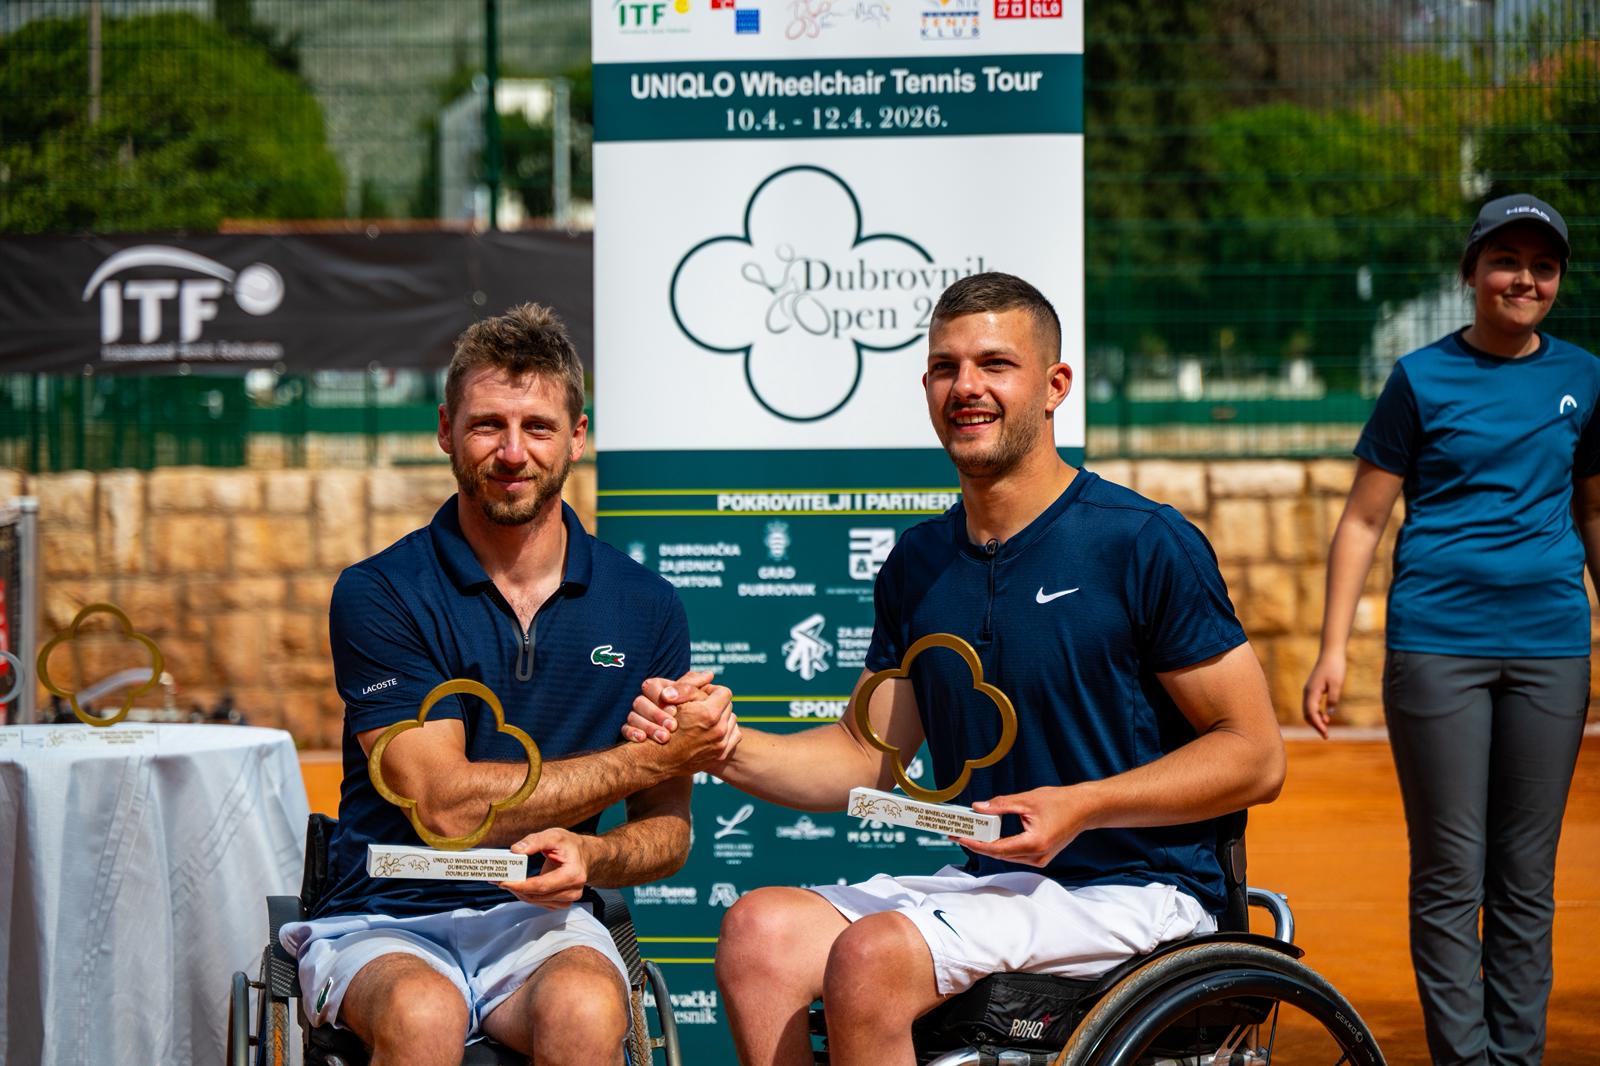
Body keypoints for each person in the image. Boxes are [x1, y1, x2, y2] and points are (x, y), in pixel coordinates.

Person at [626, 272, 1285, 1066]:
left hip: (1146, 891)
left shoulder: (1143, 543)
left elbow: (1254, 754)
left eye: (995, 364)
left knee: (872, 958)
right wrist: (718, 746)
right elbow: (864, 758)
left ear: (1054, 386)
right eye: (946, 368)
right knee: (757, 932)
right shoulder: (917, 563)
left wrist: (1082, 807)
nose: (966, 387)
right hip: (1000, 887)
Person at [279, 303, 738, 1066]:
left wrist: (596, 858)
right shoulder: (381, 591)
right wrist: (647, 760)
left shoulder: (647, 604)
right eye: (488, 424)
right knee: (423, 1012)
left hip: (544, 925)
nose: (512, 452)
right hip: (383, 915)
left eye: (539, 427)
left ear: (578, 437)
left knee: (590, 1009)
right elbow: (444, 804)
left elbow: (669, 830)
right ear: (445, 429)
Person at [1303, 193, 1599, 1066]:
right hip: (1437, 648)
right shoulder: (1420, 379)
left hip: (1552, 648)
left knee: (1526, 877)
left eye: (1542, 266)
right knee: (1448, 872)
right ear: (1471, 273)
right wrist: (1332, 648)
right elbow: (1362, 521)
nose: (1525, 279)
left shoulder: (1585, 377)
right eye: (1506, 261)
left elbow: (1593, 514)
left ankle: (1517, 1056)